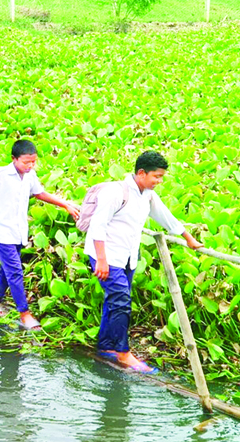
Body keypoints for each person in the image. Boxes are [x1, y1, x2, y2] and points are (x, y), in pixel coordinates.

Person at [85, 150, 203, 374]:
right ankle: (122, 353)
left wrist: (188, 238)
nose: (159, 181)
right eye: (156, 176)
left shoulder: (147, 193)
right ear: (141, 172)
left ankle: (105, 346)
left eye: (161, 177)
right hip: (107, 255)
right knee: (121, 301)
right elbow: (97, 226)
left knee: (115, 300)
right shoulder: (116, 193)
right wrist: (101, 260)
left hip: (127, 256)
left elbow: (164, 216)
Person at [0, 139, 80, 331]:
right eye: (26, 162)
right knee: (15, 271)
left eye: (33, 162)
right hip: (1, 231)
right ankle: (25, 314)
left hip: (19, 230)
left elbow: (40, 193)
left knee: (8, 270)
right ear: (14, 159)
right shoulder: (0, 173)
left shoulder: (30, 175)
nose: (30, 165)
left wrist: (64, 204)